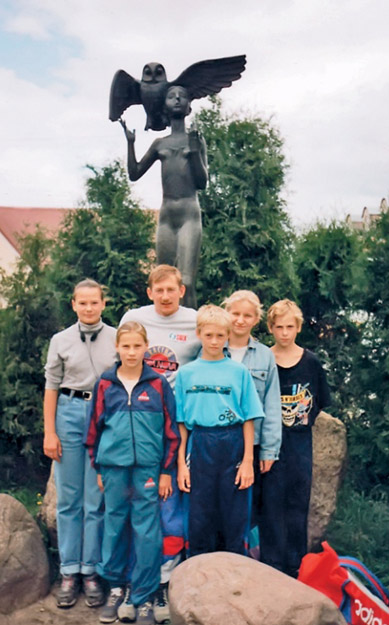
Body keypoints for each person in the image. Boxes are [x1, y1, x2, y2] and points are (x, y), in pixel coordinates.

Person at [85, 321, 180, 625]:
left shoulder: (157, 385)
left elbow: (171, 431)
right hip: (113, 468)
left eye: (136, 346)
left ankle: (143, 596)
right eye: (125, 346)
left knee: (147, 530)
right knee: (113, 525)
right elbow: (92, 431)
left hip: (149, 470)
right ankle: (115, 588)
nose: (130, 352)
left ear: (145, 347)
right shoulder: (105, 385)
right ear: (117, 347)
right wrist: (98, 468)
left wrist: (166, 471)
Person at [118, 263, 200, 623]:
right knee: (139, 505)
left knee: (172, 503)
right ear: (149, 293)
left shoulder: (196, 323)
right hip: (140, 426)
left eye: (172, 289)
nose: (166, 296)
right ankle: (135, 580)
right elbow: (119, 368)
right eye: (159, 290)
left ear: (182, 290)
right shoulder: (134, 318)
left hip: (179, 428)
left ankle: (167, 579)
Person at [43, 279, 117, 608]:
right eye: (82, 303)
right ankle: (69, 572)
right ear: (73, 304)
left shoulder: (117, 338)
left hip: (103, 413)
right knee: (69, 499)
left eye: (94, 302)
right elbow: (51, 387)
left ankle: (91, 572)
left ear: (103, 304)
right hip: (69, 413)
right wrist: (50, 431)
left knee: (95, 500)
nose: (88, 308)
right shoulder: (60, 340)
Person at [175, 305, 264, 556]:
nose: (214, 341)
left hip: (232, 442)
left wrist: (248, 462)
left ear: (227, 335)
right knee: (199, 515)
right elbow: (181, 423)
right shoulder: (186, 373)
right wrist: (181, 464)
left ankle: (234, 576)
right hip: (200, 442)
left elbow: (248, 418)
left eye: (220, 336)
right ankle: (199, 576)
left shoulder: (238, 372)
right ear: (199, 333)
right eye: (208, 335)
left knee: (234, 514)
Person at [120, 85, 208, 309]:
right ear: (165, 106)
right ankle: (162, 331)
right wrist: (131, 144)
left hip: (189, 214)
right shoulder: (160, 144)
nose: (177, 99)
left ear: (189, 107)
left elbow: (202, 182)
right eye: (171, 96)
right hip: (167, 216)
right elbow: (134, 173)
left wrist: (195, 151)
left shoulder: (196, 140)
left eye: (183, 96)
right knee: (162, 281)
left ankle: (192, 332)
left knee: (185, 281)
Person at [267, 299, 331, 577]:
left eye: (289, 327)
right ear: (270, 328)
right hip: (269, 444)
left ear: (298, 328)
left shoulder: (311, 362)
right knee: (270, 506)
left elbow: (320, 402)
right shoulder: (264, 359)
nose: (284, 333)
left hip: (299, 444)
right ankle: (272, 566)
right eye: (279, 327)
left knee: (297, 505)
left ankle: (296, 566)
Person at [222, 290, 282, 560]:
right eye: (235, 313)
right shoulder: (211, 347)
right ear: (226, 314)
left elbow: (271, 404)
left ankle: (247, 559)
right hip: (216, 440)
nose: (240, 320)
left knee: (248, 506)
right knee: (218, 502)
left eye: (247, 315)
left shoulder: (264, 357)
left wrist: (269, 449)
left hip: (252, 444)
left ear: (256, 319)